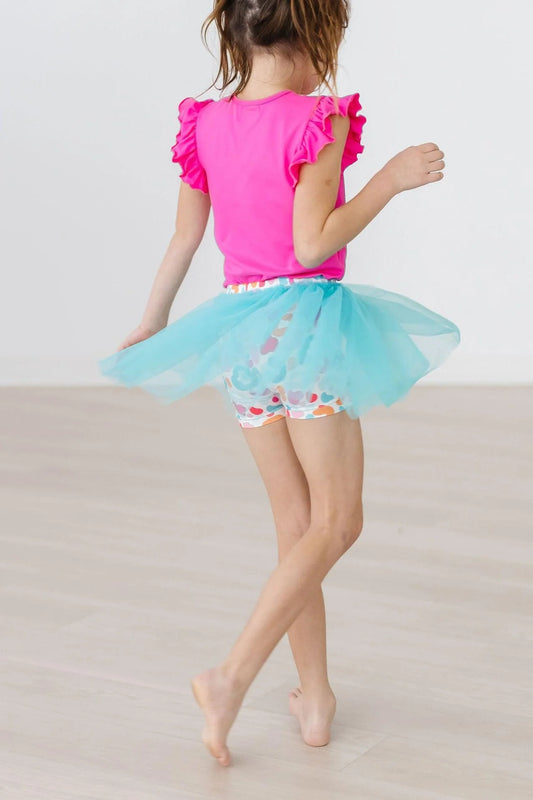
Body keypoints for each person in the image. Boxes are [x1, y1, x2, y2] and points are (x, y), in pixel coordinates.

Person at [98, 0, 460, 767]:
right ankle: (229, 676)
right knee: (338, 522)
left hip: (240, 339)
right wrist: (388, 180)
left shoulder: (204, 121)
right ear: (316, 34)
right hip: (304, 330)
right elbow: (311, 242)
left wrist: (153, 318)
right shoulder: (316, 120)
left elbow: (186, 236)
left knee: (297, 529)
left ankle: (315, 699)